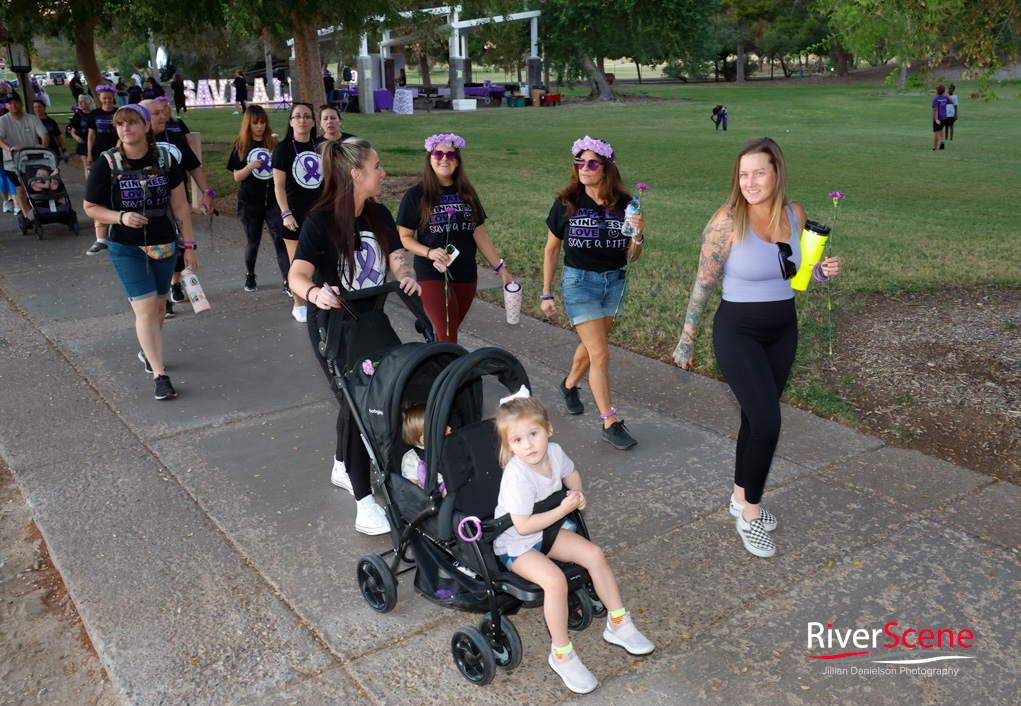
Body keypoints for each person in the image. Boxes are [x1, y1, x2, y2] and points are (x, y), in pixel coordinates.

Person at [672, 137, 842, 559]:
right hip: (738, 331)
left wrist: (822, 272)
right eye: (743, 174)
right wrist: (686, 337)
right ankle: (749, 515)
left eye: (759, 172)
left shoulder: (794, 213)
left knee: (754, 416)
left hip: (784, 328)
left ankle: (738, 495)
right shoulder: (727, 221)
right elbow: (703, 283)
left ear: (777, 173)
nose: (750, 181)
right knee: (768, 423)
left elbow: (798, 271)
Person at [287, 137, 421, 535]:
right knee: (358, 399)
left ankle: (342, 465)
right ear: (356, 174)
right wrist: (315, 293)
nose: (383, 173)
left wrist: (407, 275)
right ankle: (364, 502)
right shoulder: (320, 220)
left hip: (371, 321)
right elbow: (296, 275)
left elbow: (397, 256)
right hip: (332, 325)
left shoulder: (378, 214)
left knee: (380, 392)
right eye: (377, 167)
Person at [493, 396, 654, 694]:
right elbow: (523, 525)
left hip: (548, 531)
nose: (528, 445)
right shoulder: (516, 476)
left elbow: (571, 474)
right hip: (517, 545)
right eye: (518, 439)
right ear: (509, 446)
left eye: (533, 434)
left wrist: (577, 493)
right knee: (555, 581)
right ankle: (561, 653)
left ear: (549, 430)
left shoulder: (555, 453)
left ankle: (618, 622)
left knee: (594, 554)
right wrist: (564, 509)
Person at [82, 104, 198, 400]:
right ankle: (160, 375)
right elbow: (90, 207)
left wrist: (189, 246)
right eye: (120, 124)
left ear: (146, 127)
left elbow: (180, 205)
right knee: (146, 309)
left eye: (132, 123)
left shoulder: (165, 160)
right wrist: (121, 217)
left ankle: (149, 351)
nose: (125, 129)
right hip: (126, 246)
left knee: (160, 306)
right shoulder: (107, 163)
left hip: (164, 244)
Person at [541, 136, 644, 450]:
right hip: (579, 283)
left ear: (606, 167)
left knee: (591, 347)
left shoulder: (627, 203)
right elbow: (551, 250)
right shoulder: (566, 202)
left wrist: (638, 235)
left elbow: (632, 254)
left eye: (592, 163)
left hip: (614, 283)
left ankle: (569, 385)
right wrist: (546, 292)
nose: (584, 168)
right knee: (600, 353)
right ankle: (609, 421)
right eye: (579, 162)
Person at [397, 133, 514, 343]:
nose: (444, 159)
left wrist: (502, 271)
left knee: (447, 332)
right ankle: (449, 373)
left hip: (466, 274)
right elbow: (405, 237)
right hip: (432, 273)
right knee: (448, 334)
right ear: (430, 157)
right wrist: (429, 252)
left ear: (457, 161)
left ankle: (432, 361)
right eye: (438, 153)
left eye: (451, 155)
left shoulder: (467, 193)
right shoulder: (416, 195)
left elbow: (480, 235)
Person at [144, 98, 214, 318]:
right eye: (157, 114)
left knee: (178, 249)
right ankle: (162, 298)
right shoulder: (137, 143)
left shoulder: (175, 139)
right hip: (149, 211)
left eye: (164, 112)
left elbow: (194, 167)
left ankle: (171, 288)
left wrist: (206, 193)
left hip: (176, 206)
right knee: (156, 253)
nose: (164, 117)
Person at [228, 105, 287, 293]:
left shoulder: (273, 143)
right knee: (253, 240)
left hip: (272, 200)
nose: (259, 127)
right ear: (248, 124)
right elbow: (237, 177)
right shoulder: (241, 145)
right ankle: (250, 275)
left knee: (280, 239)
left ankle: (288, 280)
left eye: (262, 122)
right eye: (255, 123)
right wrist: (249, 167)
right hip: (250, 201)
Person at [272, 103, 323, 321]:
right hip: (294, 215)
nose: (302, 120)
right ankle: (299, 303)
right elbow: (279, 186)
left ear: (313, 122)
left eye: (307, 116)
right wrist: (286, 213)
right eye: (297, 116)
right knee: (297, 263)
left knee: (323, 259)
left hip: (320, 214)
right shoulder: (282, 149)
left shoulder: (321, 146)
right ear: (291, 121)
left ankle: (321, 298)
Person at [0, 92, 50, 230]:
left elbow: (44, 135)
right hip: (12, 163)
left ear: (20, 103)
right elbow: (0, 139)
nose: (13, 105)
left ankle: (41, 210)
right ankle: (27, 215)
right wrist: (9, 148)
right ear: (6, 106)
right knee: (20, 189)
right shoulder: (3, 121)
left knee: (35, 186)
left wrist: (43, 145)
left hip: (32, 160)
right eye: (10, 103)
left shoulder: (32, 119)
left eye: (16, 102)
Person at [84, 84, 120, 255]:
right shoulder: (95, 114)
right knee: (99, 194)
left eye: (109, 97)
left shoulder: (119, 112)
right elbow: (91, 135)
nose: (107, 100)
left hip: (118, 156)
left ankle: (118, 229)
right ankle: (100, 238)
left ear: (113, 97)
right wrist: (89, 153)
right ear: (99, 98)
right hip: (100, 157)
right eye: (104, 98)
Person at [69, 94, 93, 178]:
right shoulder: (78, 116)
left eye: (82, 102)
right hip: (83, 143)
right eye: (79, 102)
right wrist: (77, 137)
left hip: (94, 142)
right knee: (87, 165)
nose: (80, 104)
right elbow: (73, 131)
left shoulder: (94, 114)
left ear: (88, 102)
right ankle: (89, 184)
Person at [932, 84, 949, 151]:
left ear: (938, 91)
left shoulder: (936, 99)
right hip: (944, 117)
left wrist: (936, 119)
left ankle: (934, 148)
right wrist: (948, 96)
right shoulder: (945, 98)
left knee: (936, 132)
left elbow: (936, 110)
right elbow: (952, 102)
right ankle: (942, 143)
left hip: (938, 118)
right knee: (941, 130)